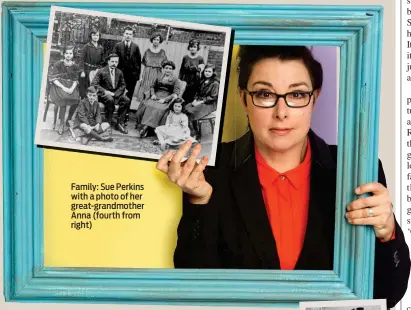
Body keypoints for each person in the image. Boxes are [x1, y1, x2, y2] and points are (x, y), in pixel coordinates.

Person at [156, 46, 410, 308]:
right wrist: (201, 203)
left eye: (297, 94)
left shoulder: (357, 169)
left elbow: (388, 294)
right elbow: (196, 291)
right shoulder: (210, 171)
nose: (281, 112)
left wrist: (386, 232)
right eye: (265, 94)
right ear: (244, 99)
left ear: (315, 98)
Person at [135, 60, 180, 138]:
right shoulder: (159, 76)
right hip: (156, 95)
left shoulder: (175, 79)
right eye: (166, 68)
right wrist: (153, 94)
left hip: (167, 97)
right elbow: (152, 86)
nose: (168, 70)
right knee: (148, 104)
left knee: (160, 108)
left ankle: (147, 128)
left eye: (170, 68)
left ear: (172, 70)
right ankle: (146, 126)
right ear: (163, 69)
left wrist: (165, 99)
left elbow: (175, 93)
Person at [91, 53, 130, 134]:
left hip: (115, 94)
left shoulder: (119, 72)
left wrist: (115, 94)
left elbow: (123, 85)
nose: (114, 64)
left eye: (116, 62)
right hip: (104, 95)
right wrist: (105, 91)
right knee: (110, 99)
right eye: (112, 61)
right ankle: (108, 123)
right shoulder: (101, 71)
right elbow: (94, 84)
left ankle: (119, 123)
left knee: (126, 100)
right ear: (108, 61)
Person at [48, 45, 80, 135]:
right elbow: (54, 79)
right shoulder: (58, 64)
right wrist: (64, 87)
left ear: (73, 55)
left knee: (77, 99)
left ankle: (68, 119)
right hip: (58, 86)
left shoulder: (75, 66)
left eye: (70, 53)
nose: (68, 55)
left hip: (70, 86)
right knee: (63, 99)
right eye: (67, 53)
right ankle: (61, 124)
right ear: (64, 54)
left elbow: (75, 80)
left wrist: (71, 89)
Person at [132, 32, 168, 107]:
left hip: (157, 73)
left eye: (157, 40)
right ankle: (141, 109)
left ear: (160, 41)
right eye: (154, 39)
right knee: (145, 91)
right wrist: (141, 76)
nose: (156, 41)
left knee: (154, 91)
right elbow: (143, 65)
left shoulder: (162, 52)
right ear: (152, 40)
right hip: (147, 73)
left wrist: (164, 77)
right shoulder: (147, 51)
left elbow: (165, 66)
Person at [185, 63, 219, 140]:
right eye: (206, 71)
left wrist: (200, 102)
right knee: (186, 107)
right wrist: (195, 100)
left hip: (210, 104)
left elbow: (213, 97)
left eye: (209, 71)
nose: (207, 73)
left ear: (213, 73)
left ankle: (197, 134)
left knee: (192, 112)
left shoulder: (215, 83)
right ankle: (188, 130)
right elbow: (197, 93)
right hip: (200, 100)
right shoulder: (202, 81)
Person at [112, 26, 142, 101]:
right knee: (118, 91)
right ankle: (116, 108)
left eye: (130, 34)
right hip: (119, 73)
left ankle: (126, 110)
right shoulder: (118, 45)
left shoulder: (136, 47)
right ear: (124, 34)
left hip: (132, 75)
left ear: (132, 36)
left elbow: (138, 61)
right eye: (127, 33)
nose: (128, 35)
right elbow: (113, 59)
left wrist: (137, 75)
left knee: (130, 93)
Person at [78, 29, 105, 99]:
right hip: (87, 70)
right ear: (91, 36)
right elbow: (81, 60)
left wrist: (99, 69)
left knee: (93, 88)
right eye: (94, 35)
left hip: (96, 71)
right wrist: (82, 71)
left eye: (97, 35)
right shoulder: (86, 47)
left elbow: (102, 61)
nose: (95, 37)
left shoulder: (101, 48)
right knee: (85, 89)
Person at [179, 39, 204, 104]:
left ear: (197, 48)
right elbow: (182, 69)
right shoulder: (185, 57)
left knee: (192, 93)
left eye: (194, 47)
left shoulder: (200, 58)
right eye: (191, 47)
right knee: (183, 92)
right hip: (185, 78)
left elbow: (201, 69)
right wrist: (180, 78)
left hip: (194, 78)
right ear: (189, 47)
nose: (192, 48)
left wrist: (197, 69)